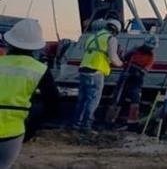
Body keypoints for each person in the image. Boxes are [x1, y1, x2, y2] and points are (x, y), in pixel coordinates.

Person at [0, 19, 59, 169]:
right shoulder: (39, 69)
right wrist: (32, 127)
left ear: (9, 42)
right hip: (13, 132)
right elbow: (53, 105)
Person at [73, 18, 123, 131]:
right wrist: (121, 63)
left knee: (82, 98)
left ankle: (76, 123)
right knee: (93, 99)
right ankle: (87, 125)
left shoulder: (91, 37)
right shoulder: (111, 38)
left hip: (83, 70)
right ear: (115, 30)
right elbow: (113, 58)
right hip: (96, 72)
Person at [110, 35, 157, 129]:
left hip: (137, 79)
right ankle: (111, 119)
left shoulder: (151, 56)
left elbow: (146, 69)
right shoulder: (135, 50)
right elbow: (124, 59)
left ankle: (132, 122)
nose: (150, 48)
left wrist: (137, 72)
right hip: (126, 76)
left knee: (135, 99)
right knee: (119, 98)